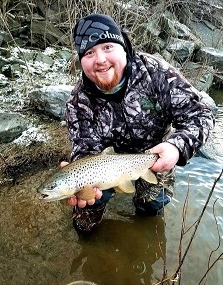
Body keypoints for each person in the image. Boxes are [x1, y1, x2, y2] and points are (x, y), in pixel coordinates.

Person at [65, 13, 214, 233]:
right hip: (104, 167)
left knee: (151, 210)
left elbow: (200, 114)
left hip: (155, 157)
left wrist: (176, 147)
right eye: (89, 52)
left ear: (123, 47)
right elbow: (84, 148)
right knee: (84, 218)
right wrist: (78, 171)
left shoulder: (156, 73)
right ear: (81, 61)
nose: (100, 59)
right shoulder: (78, 102)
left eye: (107, 47)